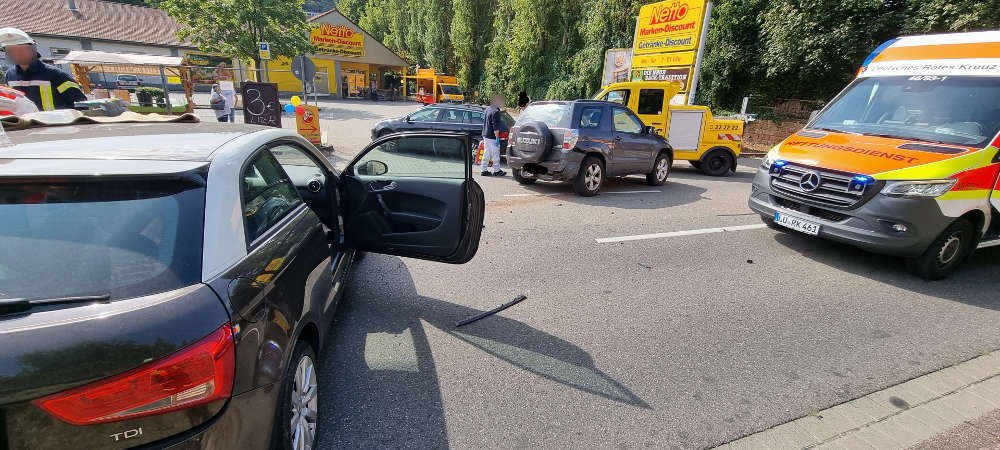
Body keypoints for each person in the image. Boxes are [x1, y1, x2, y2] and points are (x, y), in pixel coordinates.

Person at [0, 28, 85, 111]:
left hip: (56, 124)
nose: (16, 54)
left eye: (21, 49)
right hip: (24, 124)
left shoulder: (57, 75)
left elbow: (82, 106)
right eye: (10, 50)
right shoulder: (10, 75)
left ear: (33, 49)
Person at [481, 94, 508, 177]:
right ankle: (496, 170)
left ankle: (483, 170)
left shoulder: (488, 109)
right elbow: (495, 127)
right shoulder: (496, 112)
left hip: (485, 135)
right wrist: (497, 138)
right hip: (492, 137)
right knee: (495, 154)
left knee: (486, 153)